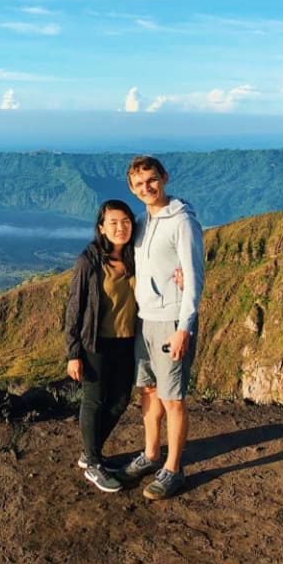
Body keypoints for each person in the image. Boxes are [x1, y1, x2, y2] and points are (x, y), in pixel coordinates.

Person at [120, 155, 204, 500]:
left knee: (173, 398)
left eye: (151, 180)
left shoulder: (182, 222)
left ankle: (173, 469)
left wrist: (184, 327)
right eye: (139, 184)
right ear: (131, 188)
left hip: (171, 322)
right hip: (145, 320)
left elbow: (194, 276)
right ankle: (151, 453)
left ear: (165, 177)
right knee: (149, 391)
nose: (147, 188)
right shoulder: (141, 222)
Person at [64, 199, 138, 493]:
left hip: (128, 341)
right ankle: (93, 462)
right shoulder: (90, 261)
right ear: (101, 228)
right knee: (94, 401)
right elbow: (74, 306)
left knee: (120, 401)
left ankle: (90, 452)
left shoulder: (136, 256)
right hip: (96, 342)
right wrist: (73, 353)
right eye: (113, 223)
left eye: (126, 221)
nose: (120, 228)